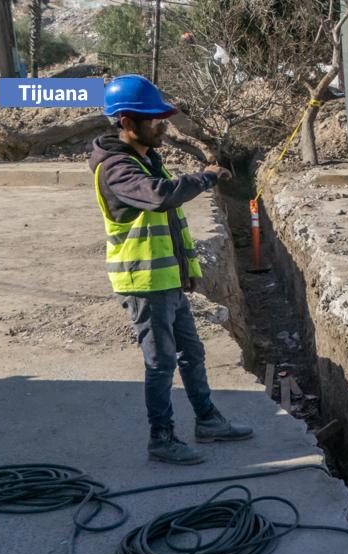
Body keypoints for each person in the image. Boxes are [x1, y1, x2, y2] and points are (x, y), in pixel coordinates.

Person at [90, 75, 253, 465]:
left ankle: (208, 420)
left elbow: (168, 227)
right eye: (155, 118)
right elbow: (161, 199)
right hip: (144, 282)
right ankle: (161, 439)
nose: (163, 125)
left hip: (167, 279)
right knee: (160, 361)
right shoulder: (116, 168)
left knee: (192, 352)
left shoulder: (145, 159)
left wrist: (186, 271)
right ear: (128, 122)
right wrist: (207, 176)